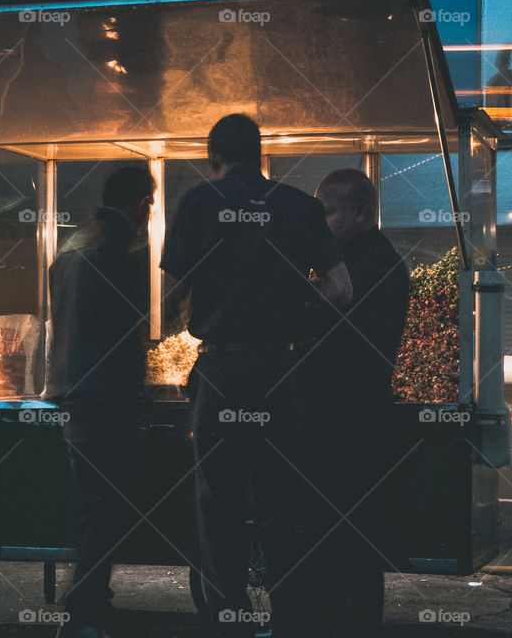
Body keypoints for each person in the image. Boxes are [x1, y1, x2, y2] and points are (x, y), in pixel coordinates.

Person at [161, 114, 351, 638]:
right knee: (284, 505)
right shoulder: (301, 208)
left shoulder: (198, 205)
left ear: (214, 159)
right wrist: (293, 318)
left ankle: (231, 622)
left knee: (216, 508)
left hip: (221, 370)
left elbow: (168, 301)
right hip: (280, 371)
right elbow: (340, 289)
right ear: (261, 155)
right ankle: (289, 622)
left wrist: (195, 314)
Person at [47, 165, 154, 638]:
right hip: (105, 394)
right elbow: (130, 328)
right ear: (140, 204)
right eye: (149, 206)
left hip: (71, 388)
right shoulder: (120, 246)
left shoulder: (72, 244)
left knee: (94, 501)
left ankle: (93, 602)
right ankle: (81, 609)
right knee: (104, 505)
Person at [307, 168, 410, 638]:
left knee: (341, 545)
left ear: (361, 211)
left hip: (346, 422)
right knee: (354, 546)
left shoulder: (363, 267)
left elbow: (332, 346)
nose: (321, 223)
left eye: (327, 212)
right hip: (360, 417)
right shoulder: (373, 259)